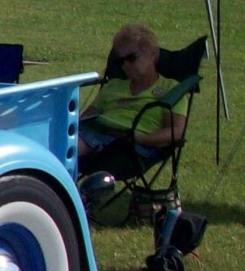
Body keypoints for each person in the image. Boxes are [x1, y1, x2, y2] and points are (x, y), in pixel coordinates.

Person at [79, 23, 186, 171]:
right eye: (120, 61)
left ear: (152, 54)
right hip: (99, 135)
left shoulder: (171, 89)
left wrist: (139, 139)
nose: (125, 65)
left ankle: (52, 190)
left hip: (133, 148)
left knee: (69, 147)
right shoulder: (113, 86)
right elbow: (85, 118)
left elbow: (176, 132)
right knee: (61, 140)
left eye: (131, 58)